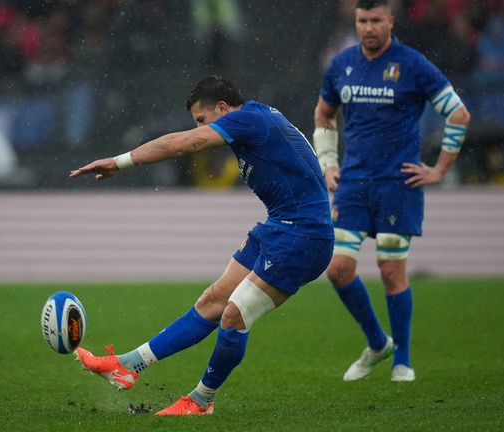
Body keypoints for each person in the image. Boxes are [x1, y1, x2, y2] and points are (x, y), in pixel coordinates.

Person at [70, 75, 334, 415]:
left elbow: (183, 144)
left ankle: (201, 401)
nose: (199, 129)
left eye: (201, 120)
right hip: (279, 226)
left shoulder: (247, 119)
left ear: (223, 108)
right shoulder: (256, 118)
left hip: (303, 235)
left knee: (234, 315)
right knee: (212, 302)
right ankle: (127, 365)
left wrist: (121, 162)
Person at [312, 0, 471, 382]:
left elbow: (459, 114)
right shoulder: (341, 65)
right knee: (337, 269)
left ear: (390, 22)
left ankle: (403, 358)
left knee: (390, 271)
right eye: (362, 21)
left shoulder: (413, 65)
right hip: (352, 182)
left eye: (375, 21)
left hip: (398, 184)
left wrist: (439, 170)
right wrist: (328, 162)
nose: (368, 28)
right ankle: (376, 342)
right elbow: (323, 113)